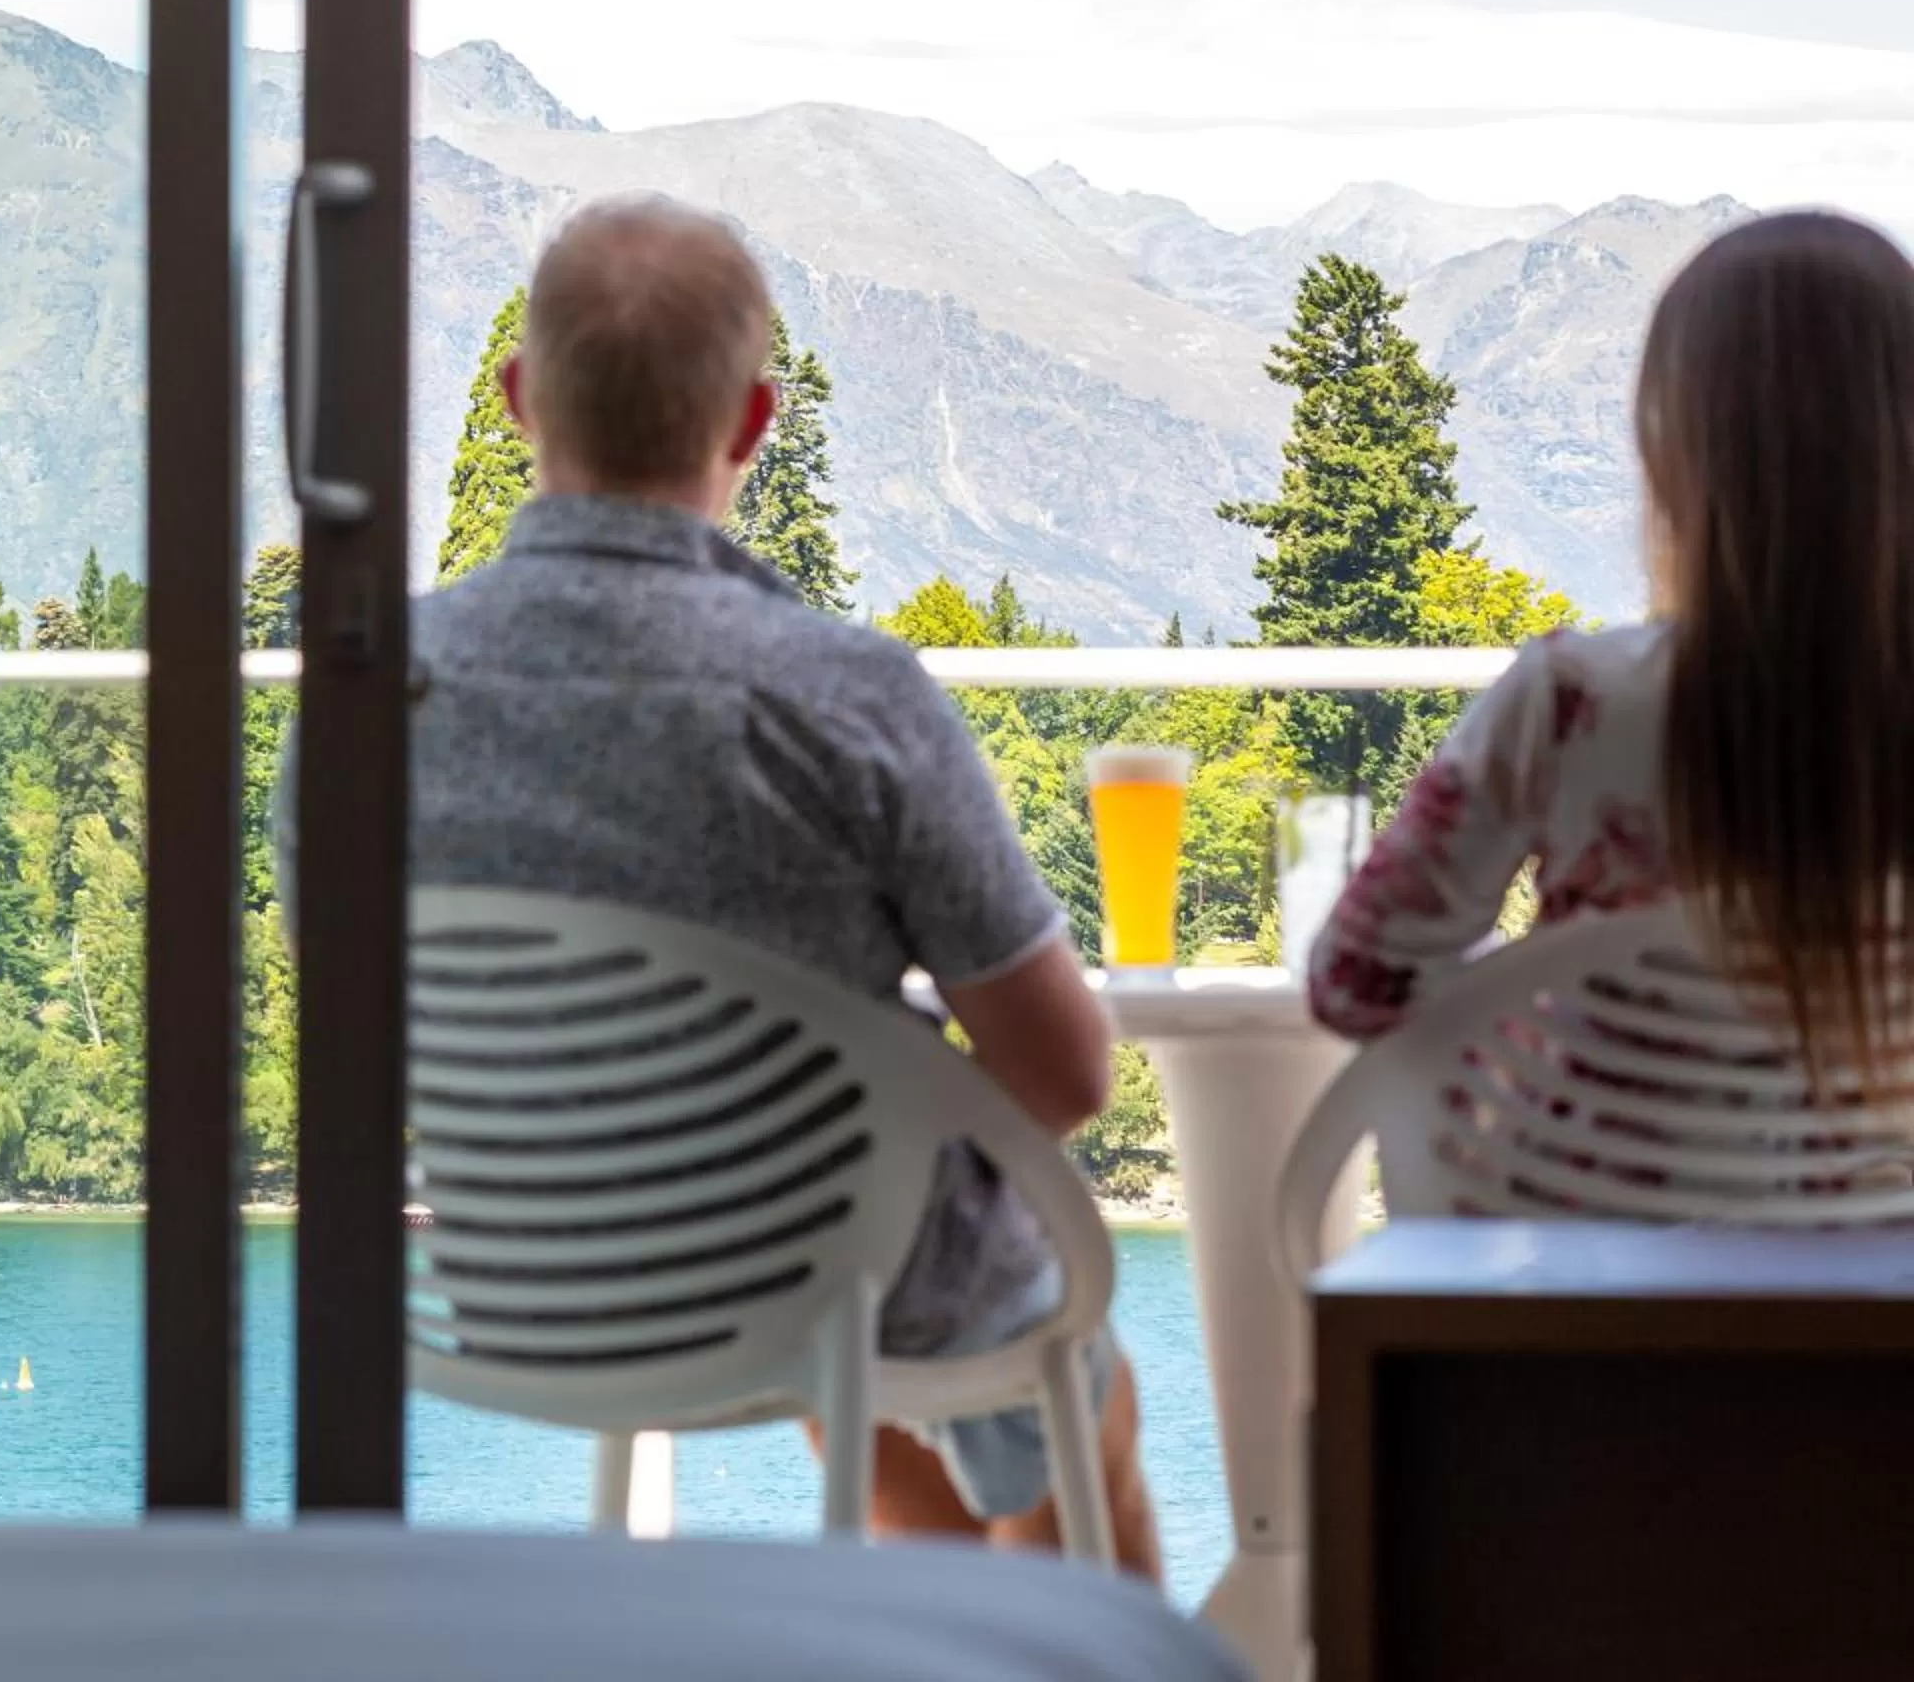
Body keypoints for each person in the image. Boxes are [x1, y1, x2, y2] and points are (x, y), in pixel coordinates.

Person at [279, 195, 1159, 1575]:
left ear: (518, 400)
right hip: (826, 1282)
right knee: (1070, 1402)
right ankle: (1062, 1639)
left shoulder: (362, 698)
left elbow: (347, 1012)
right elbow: (1066, 1076)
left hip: (520, 1282)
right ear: (752, 424)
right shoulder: (848, 697)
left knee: (843, 1282)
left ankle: (939, 1615)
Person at [1311, 208, 1914, 1103]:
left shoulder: (1567, 704)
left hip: (1597, 1229)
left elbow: (1352, 980)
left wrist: (1551, 1014)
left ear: (1671, 450)